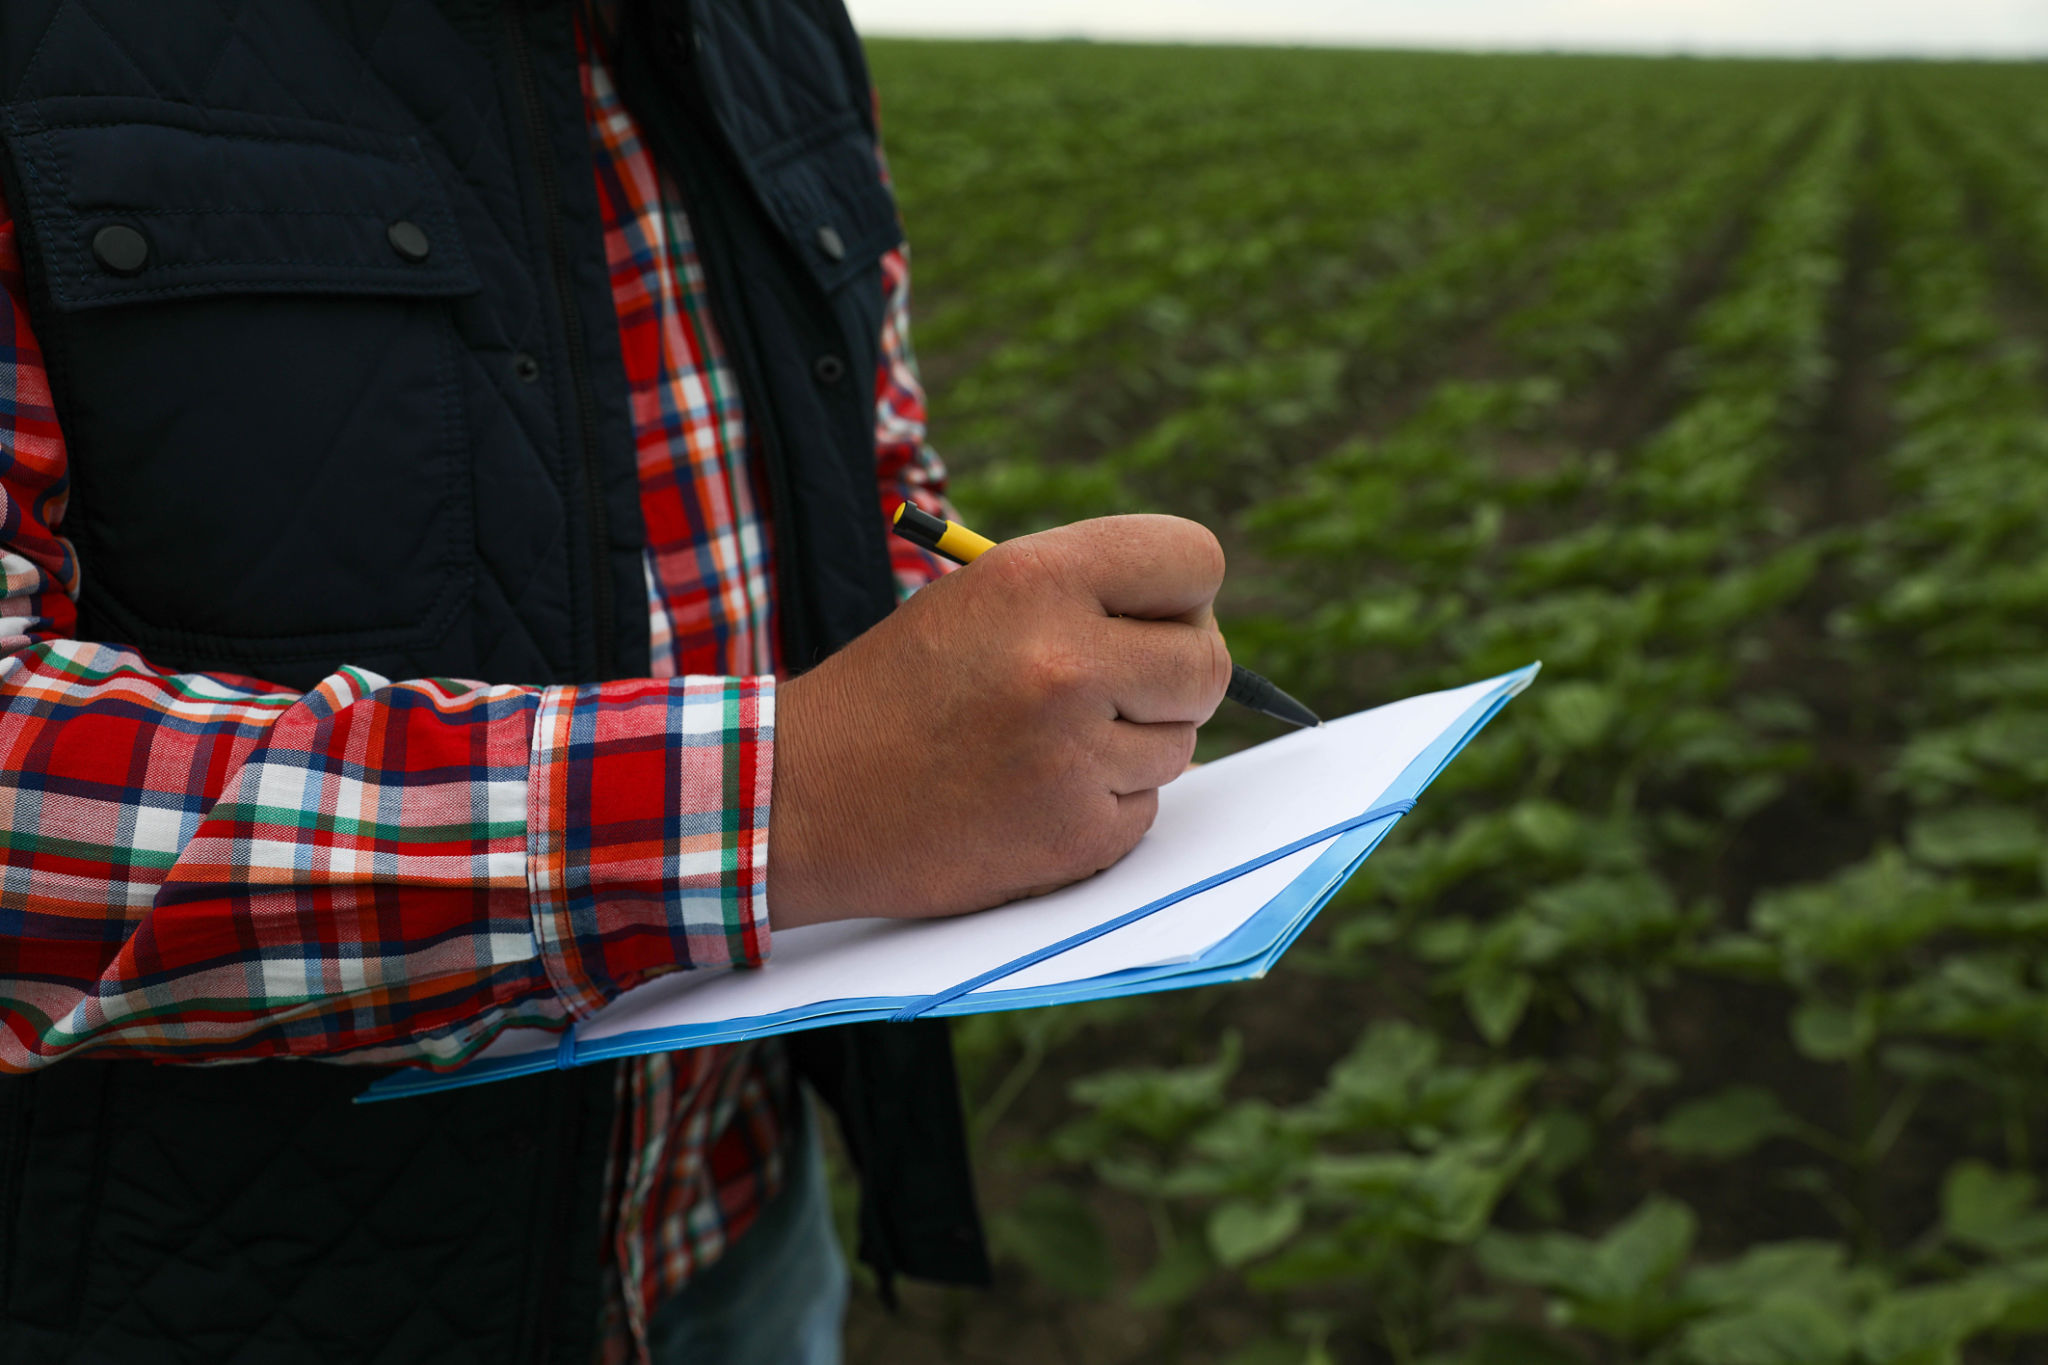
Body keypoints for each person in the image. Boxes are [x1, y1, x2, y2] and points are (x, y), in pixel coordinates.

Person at [0, 2, 1230, 1362]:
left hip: (735, 1206)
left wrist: (1007, 675)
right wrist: (786, 796)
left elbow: (872, 479)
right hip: (250, 1285)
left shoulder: (780, 29)